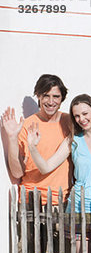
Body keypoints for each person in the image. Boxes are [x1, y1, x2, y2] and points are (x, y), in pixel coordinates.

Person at [27, 94, 91, 253]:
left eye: (85, 113)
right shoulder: (73, 140)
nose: (81, 119)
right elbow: (46, 167)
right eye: (77, 116)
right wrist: (32, 146)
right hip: (77, 206)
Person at [0, 74, 71, 205]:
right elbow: (17, 173)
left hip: (61, 201)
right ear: (38, 96)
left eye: (56, 96)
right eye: (46, 96)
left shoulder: (70, 122)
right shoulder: (27, 126)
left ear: (62, 98)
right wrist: (12, 138)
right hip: (30, 202)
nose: (51, 102)